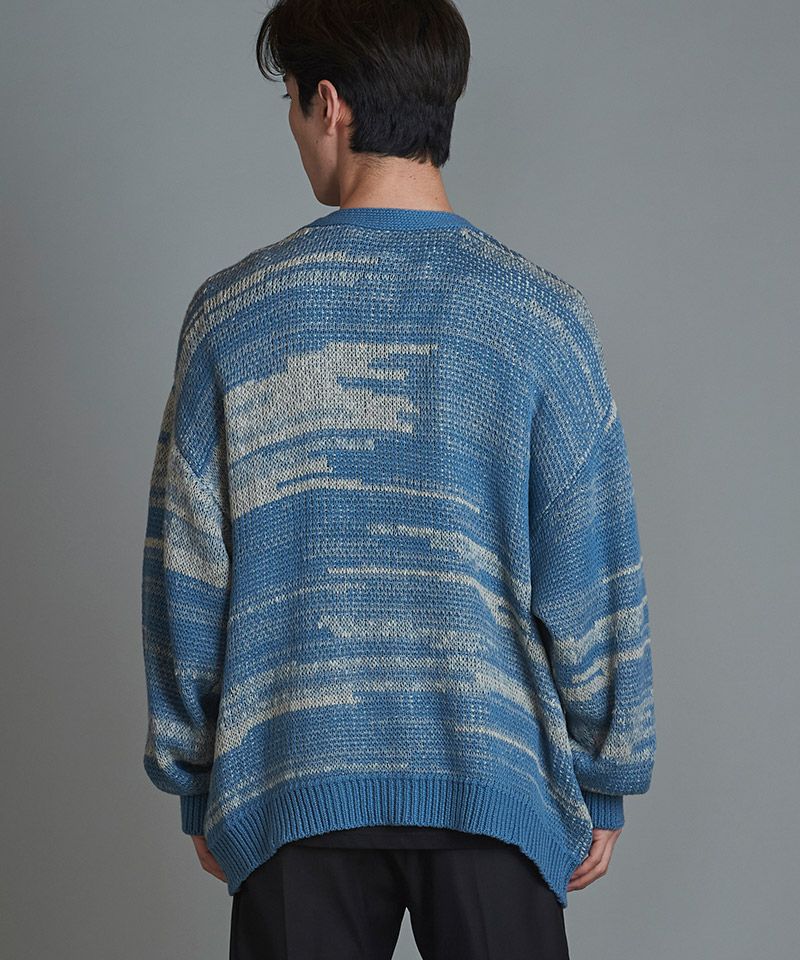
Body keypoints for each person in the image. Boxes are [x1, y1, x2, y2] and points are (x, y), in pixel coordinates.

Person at [140, 1, 656, 957]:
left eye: (292, 104)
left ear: (328, 104)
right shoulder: (539, 319)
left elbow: (188, 571)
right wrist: (604, 771)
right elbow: (592, 565)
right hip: (496, 782)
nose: (295, 129)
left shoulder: (232, 317)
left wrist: (199, 773)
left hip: (292, 780)